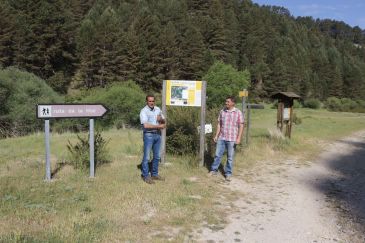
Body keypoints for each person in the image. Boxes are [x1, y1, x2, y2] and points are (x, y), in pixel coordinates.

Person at [209, 96, 244, 181]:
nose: (226, 103)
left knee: (230, 157)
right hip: (222, 137)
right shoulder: (222, 111)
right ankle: (214, 170)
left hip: (232, 138)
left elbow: (241, 125)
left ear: (233, 103)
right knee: (217, 155)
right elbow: (219, 124)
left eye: (228, 102)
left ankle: (228, 173)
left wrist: (238, 138)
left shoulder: (238, 112)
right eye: (226, 102)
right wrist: (216, 135)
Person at [139, 94, 166, 184]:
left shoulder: (158, 109)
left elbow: (164, 122)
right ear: (147, 101)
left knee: (157, 156)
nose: (151, 102)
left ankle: (154, 174)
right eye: (149, 101)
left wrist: (161, 119)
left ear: (154, 101)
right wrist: (159, 126)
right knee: (147, 157)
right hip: (148, 135)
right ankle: (146, 176)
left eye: (153, 101)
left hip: (158, 135)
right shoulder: (144, 111)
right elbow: (146, 125)